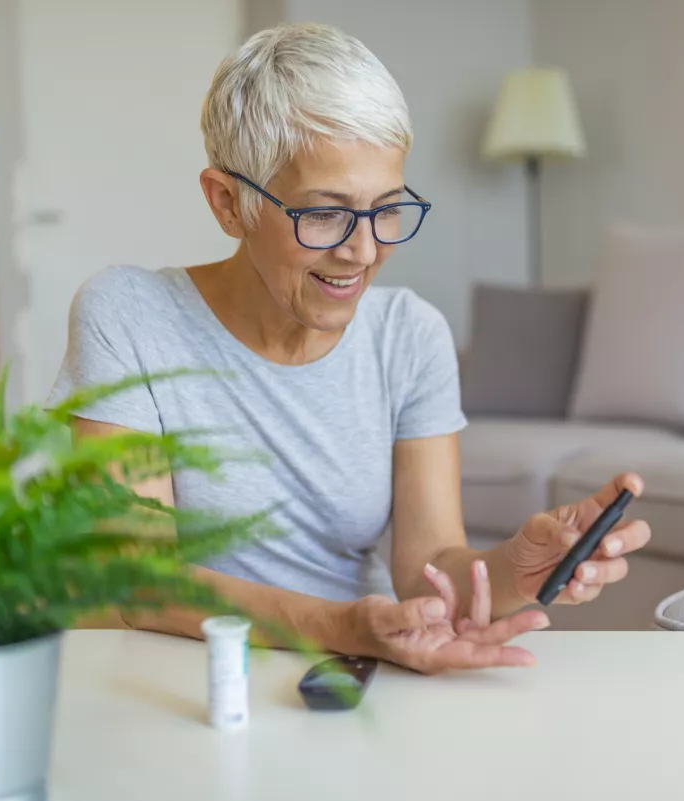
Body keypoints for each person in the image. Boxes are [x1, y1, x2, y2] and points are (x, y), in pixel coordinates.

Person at [47, 22, 651, 675]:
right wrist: (342, 625)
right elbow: (137, 582)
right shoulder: (129, 315)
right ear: (228, 203)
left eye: (386, 208)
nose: (362, 250)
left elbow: (431, 576)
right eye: (324, 213)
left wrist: (515, 568)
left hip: (349, 680)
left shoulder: (409, 335)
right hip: (175, 678)